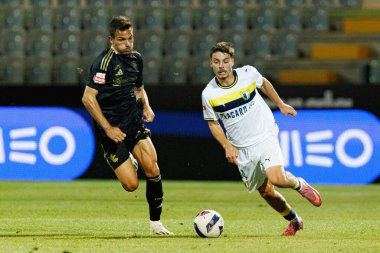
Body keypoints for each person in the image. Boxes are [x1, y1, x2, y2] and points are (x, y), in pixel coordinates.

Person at [201, 42, 322, 236]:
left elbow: (264, 82)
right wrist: (227, 146)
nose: (221, 66)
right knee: (266, 192)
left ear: (232, 61)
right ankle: (295, 220)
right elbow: (213, 123)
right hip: (242, 149)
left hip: (265, 134)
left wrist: (280, 104)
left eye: (225, 61)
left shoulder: (248, 73)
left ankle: (300, 184)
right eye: (217, 62)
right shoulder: (209, 94)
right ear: (210, 64)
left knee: (277, 178)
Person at [82, 16, 172, 235]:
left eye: (130, 38)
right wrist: (108, 128)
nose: (128, 44)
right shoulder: (103, 64)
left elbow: (139, 89)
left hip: (133, 122)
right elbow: (88, 98)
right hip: (111, 130)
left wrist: (146, 107)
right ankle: (125, 158)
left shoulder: (136, 59)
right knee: (131, 185)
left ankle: (156, 224)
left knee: (153, 168)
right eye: (122, 39)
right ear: (111, 39)